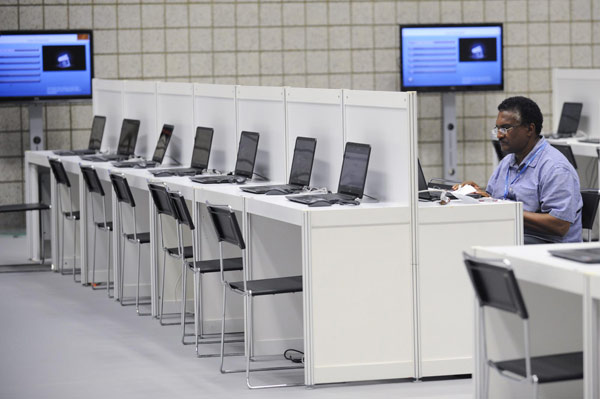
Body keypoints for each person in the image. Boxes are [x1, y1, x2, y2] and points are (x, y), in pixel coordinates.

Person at [455, 96, 582, 244]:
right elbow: (496, 200)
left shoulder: (555, 168)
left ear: (529, 129)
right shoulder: (508, 161)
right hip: (514, 236)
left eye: (505, 128)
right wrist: (478, 195)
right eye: (497, 128)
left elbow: (560, 225)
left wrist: (506, 209)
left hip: (547, 246)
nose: (499, 135)